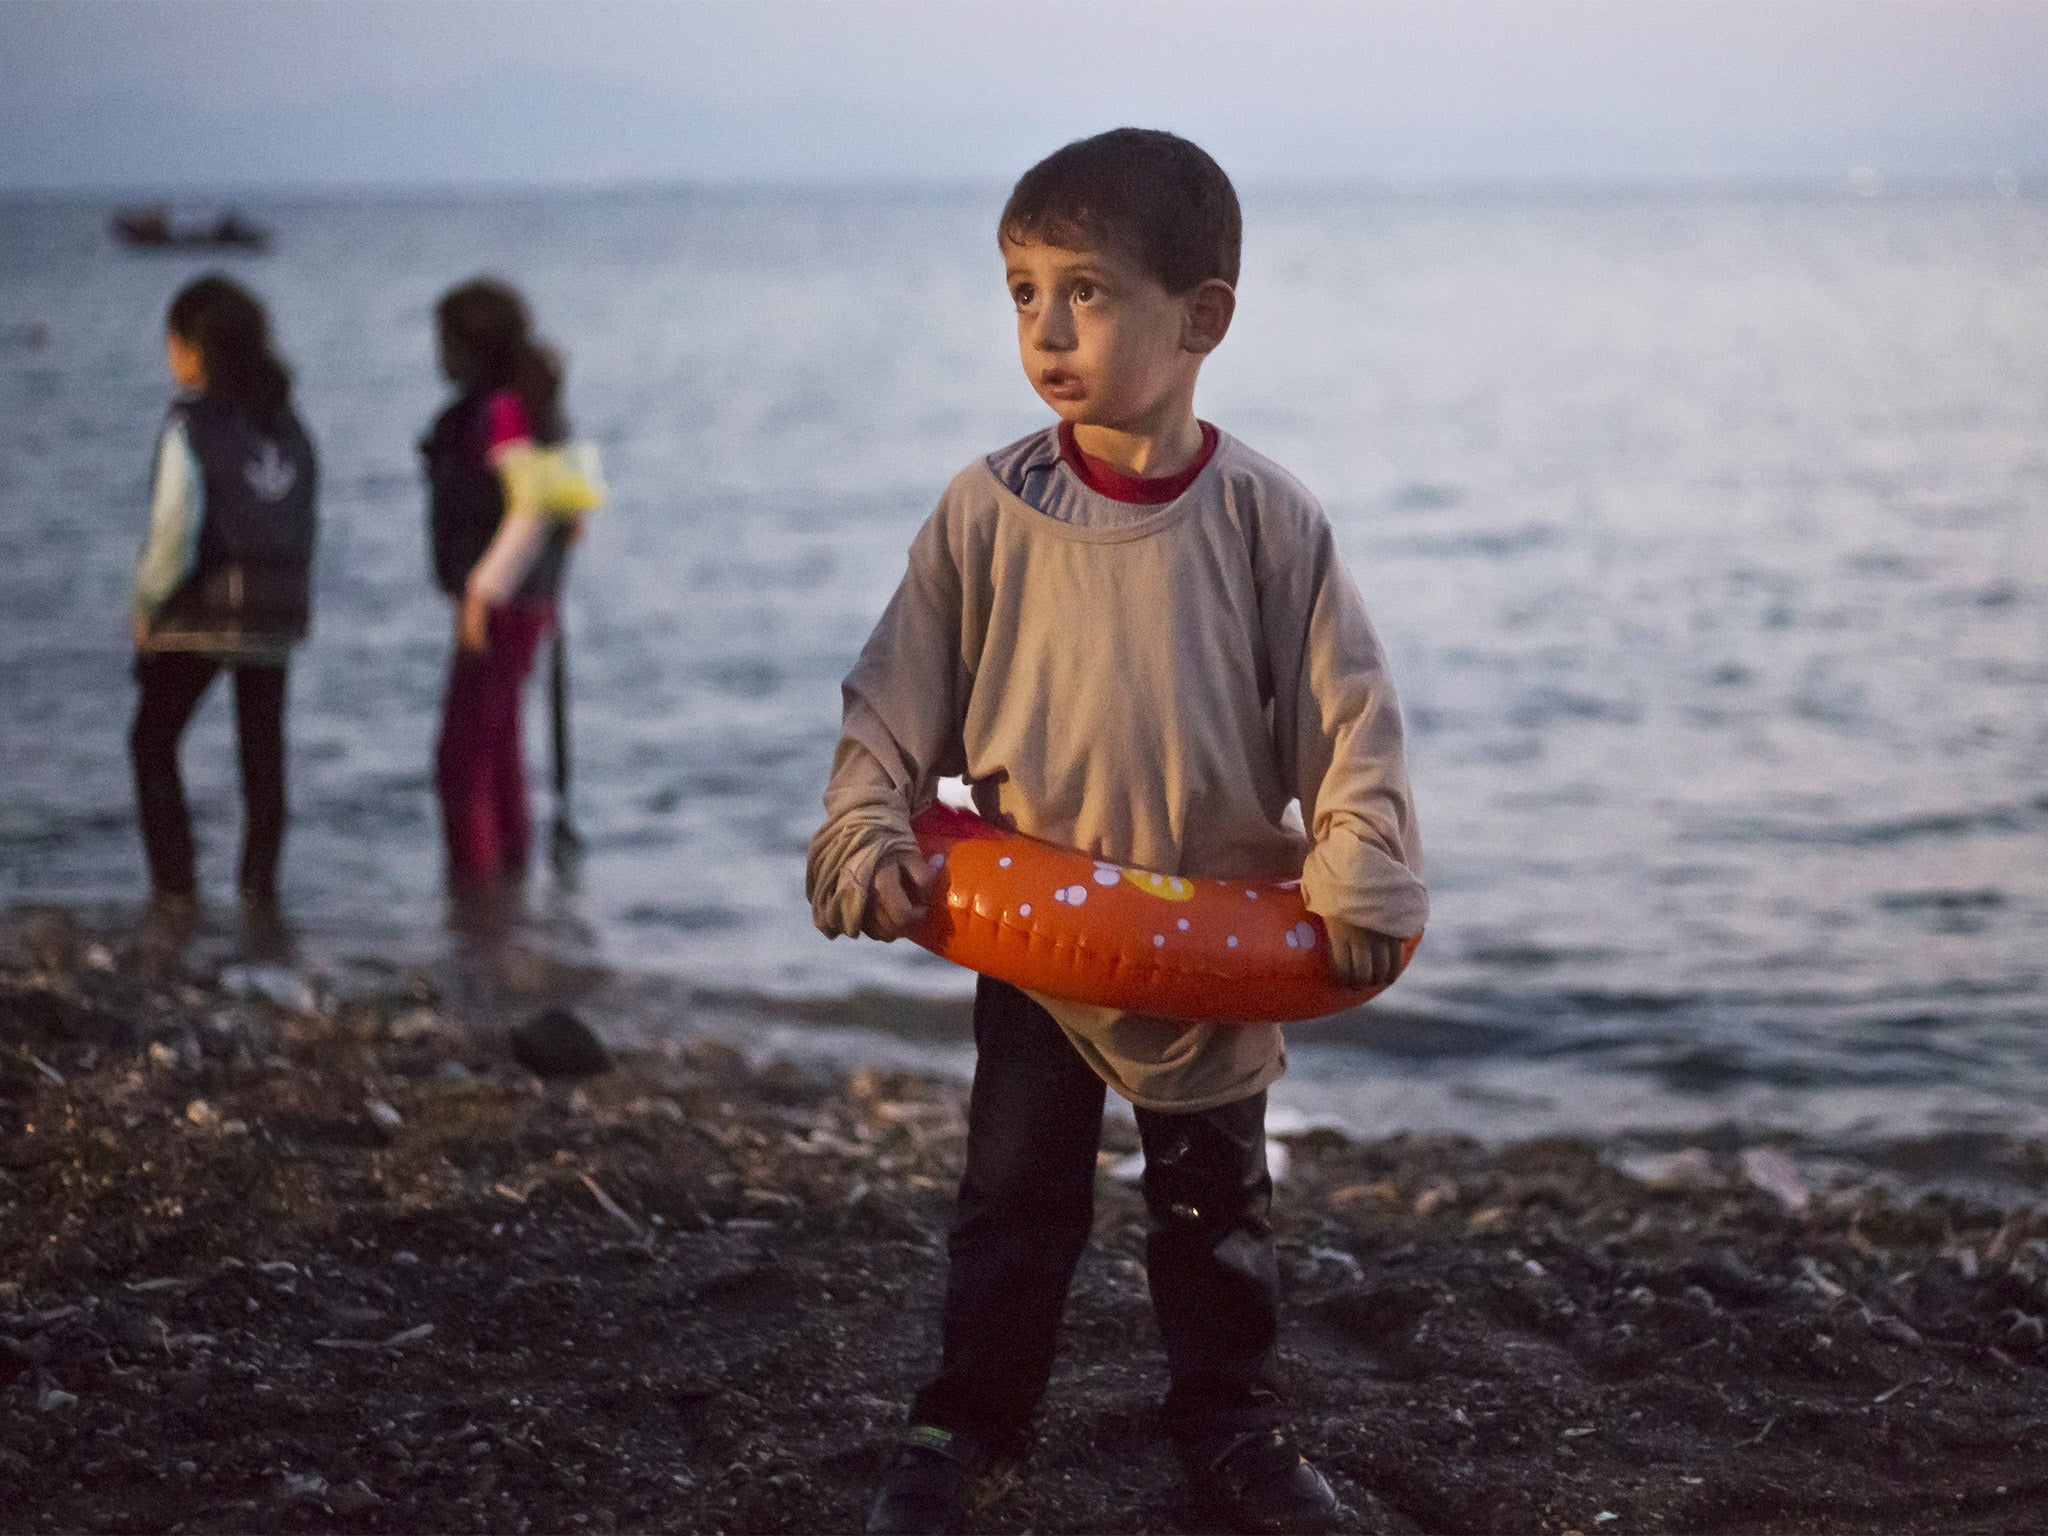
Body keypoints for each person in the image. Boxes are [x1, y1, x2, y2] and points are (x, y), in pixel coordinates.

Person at [807, 129, 1429, 1534]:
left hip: (1210, 945)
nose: (1045, 327)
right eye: (1021, 290)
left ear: (1201, 317)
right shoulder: (986, 513)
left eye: (1084, 291)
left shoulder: (1268, 521)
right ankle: (967, 1424)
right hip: (1034, 939)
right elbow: (892, 698)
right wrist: (864, 826)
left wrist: (1360, 861)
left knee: (1216, 1216)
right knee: (1011, 1206)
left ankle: (1232, 1429)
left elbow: (1350, 714)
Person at [130, 275, 317, 911]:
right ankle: (260, 897)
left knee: (152, 739)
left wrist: (146, 606)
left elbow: (172, 531)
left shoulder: (191, 424)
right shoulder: (289, 425)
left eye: (171, 341)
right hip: (276, 609)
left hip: (204, 607)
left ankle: (175, 891)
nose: (168, 355)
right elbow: (303, 520)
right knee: (263, 756)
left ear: (193, 349)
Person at [419, 278, 596, 884]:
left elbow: (527, 512)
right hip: (531, 600)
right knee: (498, 755)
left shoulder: (500, 410)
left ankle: (477, 902)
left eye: (442, 339)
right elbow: (568, 509)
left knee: (461, 763)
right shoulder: (532, 402)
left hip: (500, 603)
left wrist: (480, 592)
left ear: (470, 346)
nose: (436, 354)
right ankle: (511, 891)